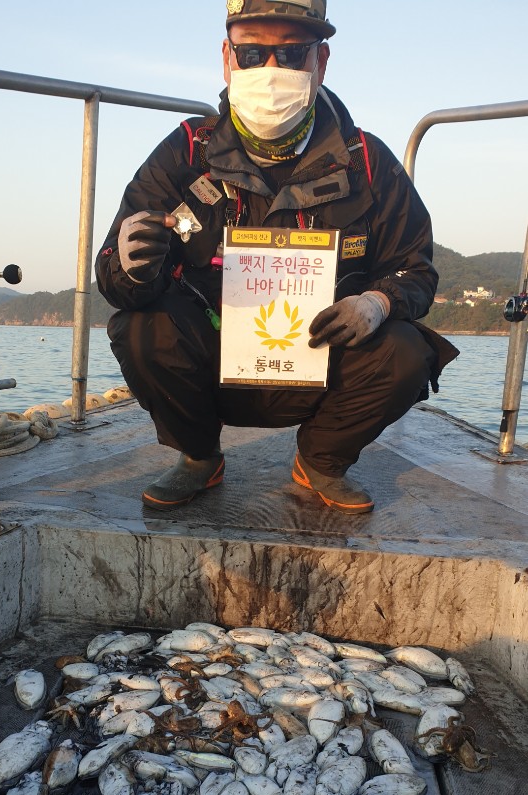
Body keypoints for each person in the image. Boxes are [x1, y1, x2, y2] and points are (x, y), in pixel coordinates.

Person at [96, 0, 457, 513]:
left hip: (322, 364)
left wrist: (376, 302)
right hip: (214, 366)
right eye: (252, 54)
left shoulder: (368, 162)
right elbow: (115, 276)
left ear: (320, 61)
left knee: (405, 352)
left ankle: (322, 461)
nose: (270, 70)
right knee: (139, 328)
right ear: (227, 58)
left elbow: (415, 267)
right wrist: (130, 265)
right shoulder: (184, 152)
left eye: (291, 53)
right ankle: (198, 456)